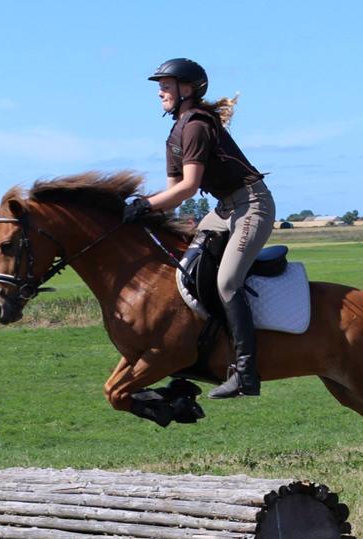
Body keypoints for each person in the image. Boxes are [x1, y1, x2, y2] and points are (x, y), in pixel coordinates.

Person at [123, 57, 275, 398]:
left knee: (227, 282)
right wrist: (139, 210)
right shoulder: (175, 133)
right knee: (184, 270)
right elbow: (173, 196)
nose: (160, 91)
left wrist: (146, 205)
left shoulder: (195, 125)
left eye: (166, 84)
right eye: (159, 85)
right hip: (223, 210)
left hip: (252, 205)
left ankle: (246, 372)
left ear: (187, 89)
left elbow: (189, 187)